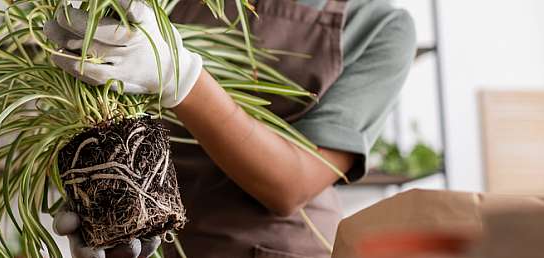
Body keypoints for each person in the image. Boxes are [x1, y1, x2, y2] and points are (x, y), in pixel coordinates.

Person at [46, 0, 416, 257]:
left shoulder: (380, 27)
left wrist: (181, 76)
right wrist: (100, 185)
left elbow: (291, 186)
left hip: (270, 246)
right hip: (158, 232)